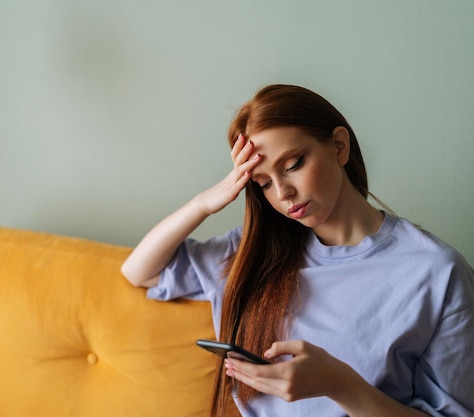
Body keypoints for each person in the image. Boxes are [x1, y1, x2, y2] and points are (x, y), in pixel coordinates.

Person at [121, 84, 474, 417]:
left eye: (292, 165)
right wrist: (205, 203)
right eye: (263, 183)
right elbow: (139, 271)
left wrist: (341, 385)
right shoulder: (253, 254)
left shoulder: (435, 272)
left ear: (339, 147)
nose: (283, 193)